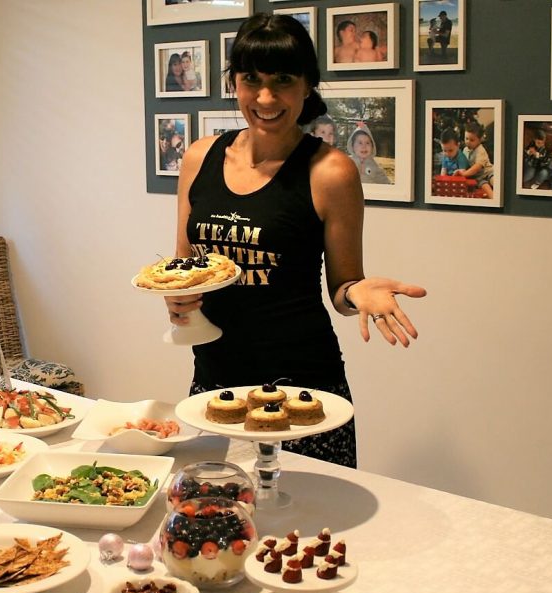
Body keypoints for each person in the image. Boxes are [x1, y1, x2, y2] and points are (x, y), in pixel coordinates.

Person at [164, 13, 426, 468]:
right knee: (222, 522)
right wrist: (178, 298)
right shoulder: (199, 157)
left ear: (307, 86)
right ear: (235, 83)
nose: (265, 97)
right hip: (215, 380)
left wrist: (357, 291)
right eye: (251, 79)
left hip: (302, 389)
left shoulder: (331, 171)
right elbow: (185, 268)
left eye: (282, 80)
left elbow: (343, 290)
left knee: (309, 531)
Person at [454, 122, 494, 199]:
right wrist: (460, 170)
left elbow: (477, 167)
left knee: (495, 181)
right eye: (466, 138)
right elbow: (463, 163)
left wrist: (464, 174)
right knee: (485, 186)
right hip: (478, 177)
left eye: (472, 140)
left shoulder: (480, 150)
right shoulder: (465, 150)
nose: (468, 142)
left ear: (480, 140)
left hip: (488, 172)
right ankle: (493, 198)